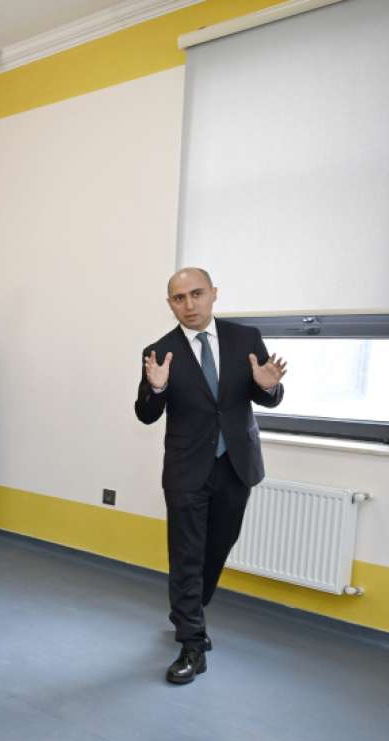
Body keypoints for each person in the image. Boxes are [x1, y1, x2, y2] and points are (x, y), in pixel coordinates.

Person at [135, 267, 287, 685]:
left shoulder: (245, 338)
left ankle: (190, 612)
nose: (189, 305)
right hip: (186, 469)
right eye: (179, 298)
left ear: (214, 294)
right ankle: (192, 642)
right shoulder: (159, 351)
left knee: (218, 547)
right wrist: (157, 389)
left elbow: (266, 395)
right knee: (186, 554)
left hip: (235, 465)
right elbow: (146, 414)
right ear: (170, 304)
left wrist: (268, 387)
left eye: (197, 294)